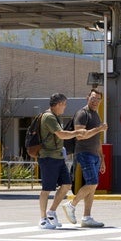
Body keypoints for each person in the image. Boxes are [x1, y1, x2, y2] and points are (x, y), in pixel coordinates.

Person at [37, 93, 86, 229]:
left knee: (66, 185)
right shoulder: (49, 117)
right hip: (48, 157)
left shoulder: (56, 117)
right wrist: (77, 133)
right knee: (46, 189)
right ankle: (42, 219)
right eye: (64, 104)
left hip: (58, 157)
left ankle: (51, 211)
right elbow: (61, 134)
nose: (65, 107)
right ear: (58, 104)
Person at [63, 89, 108, 227]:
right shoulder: (82, 114)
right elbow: (80, 135)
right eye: (93, 98)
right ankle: (71, 204)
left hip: (94, 154)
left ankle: (86, 217)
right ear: (87, 97)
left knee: (92, 187)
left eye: (98, 99)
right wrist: (99, 129)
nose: (95, 101)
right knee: (93, 183)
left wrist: (102, 158)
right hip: (84, 153)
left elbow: (97, 139)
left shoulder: (95, 115)